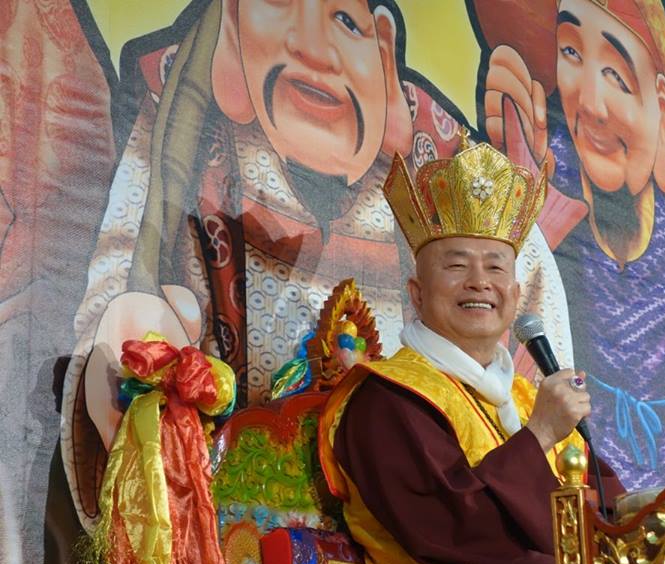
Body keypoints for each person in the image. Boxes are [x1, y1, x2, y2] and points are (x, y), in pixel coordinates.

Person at [60, 0, 571, 530]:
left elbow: (528, 299)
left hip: (433, 517)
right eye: (279, 6)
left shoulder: (442, 160)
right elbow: (117, 300)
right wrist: (145, 364)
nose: (316, 51)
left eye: (345, 22)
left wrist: (541, 434)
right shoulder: (181, 135)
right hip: (246, 518)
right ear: (232, 27)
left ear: (383, 48)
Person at [319, 138, 623, 564]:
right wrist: (538, 436)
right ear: (417, 294)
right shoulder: (386, 398)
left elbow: (609, 506)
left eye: (496, 267)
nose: (480, 282)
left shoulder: (528, 398)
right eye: (457, 265)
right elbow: (451, 530)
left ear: (516, 296)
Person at [480, 0, 665, 489]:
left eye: (616, 75)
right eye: (570, 52)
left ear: (661, 104)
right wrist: (511, 176)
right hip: (574, 487)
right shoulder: (544, 167)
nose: (590, 103)